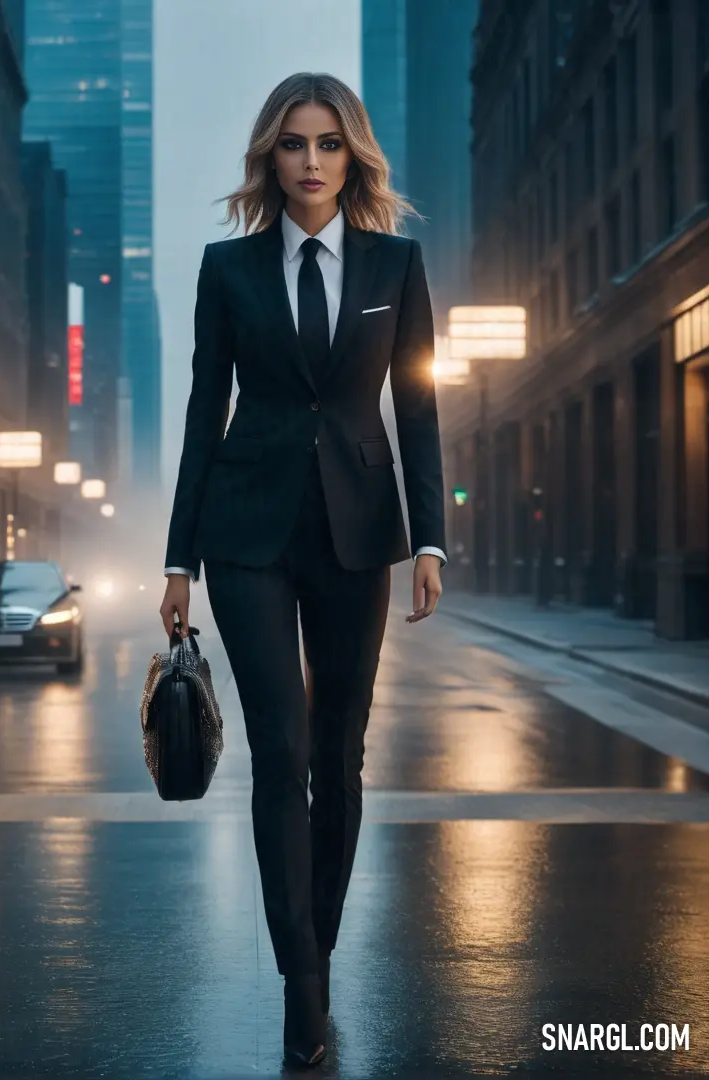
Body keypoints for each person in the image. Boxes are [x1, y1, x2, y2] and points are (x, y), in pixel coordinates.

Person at [159, 72, 446, 1068]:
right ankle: (304, 988)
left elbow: (416, 407)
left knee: (340, 758)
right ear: (269, 159)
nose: (312, 162)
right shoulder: (227, 270)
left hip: (358, 534)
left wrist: (430, 540)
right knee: (280, 754)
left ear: (352, 155)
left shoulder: (396, 264)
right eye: (293, 144)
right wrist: (176, 559)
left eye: (329, 144)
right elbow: (204, 411)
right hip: (245, 533)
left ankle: (312, 944)